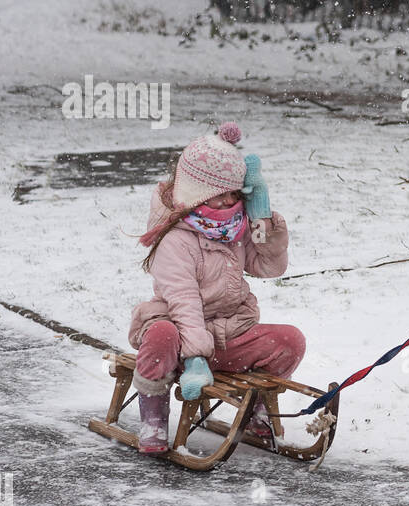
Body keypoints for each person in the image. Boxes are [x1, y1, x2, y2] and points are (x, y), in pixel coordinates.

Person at [128, 122, 305, 455]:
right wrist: (195, 358)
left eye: (235, 193)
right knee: (161, 335)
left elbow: (268, 267)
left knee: (289, 341)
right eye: (220, 193)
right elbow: (184, 302)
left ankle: (254, 409)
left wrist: (263, 221)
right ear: (197, 192)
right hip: (180, 340)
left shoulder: (234, 226)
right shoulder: (176, 239)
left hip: (228, 335)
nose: (229, 201)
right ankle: (153, 418)